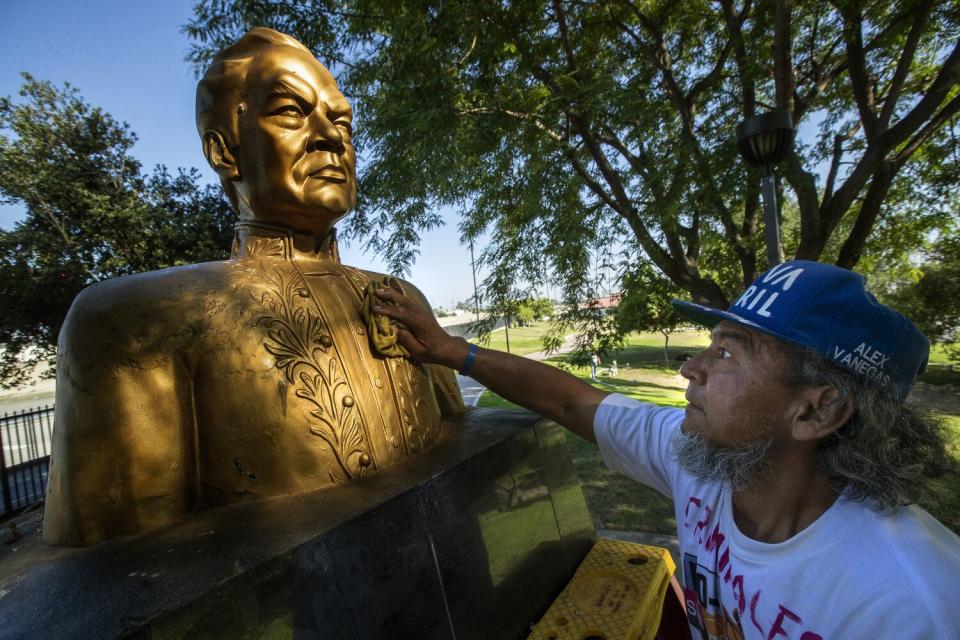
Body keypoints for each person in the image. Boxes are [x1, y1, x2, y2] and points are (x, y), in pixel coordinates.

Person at [373, 260, 960, 639]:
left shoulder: (910, 605)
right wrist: (454, 353)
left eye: (729, 352)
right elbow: (576, 404)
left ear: (817, 410)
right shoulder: (703, 462)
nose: (690, 368)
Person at [42, 28, 462, 547]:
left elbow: (462, 441)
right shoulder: (137, 321)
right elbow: (126, 574)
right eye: (291, 111)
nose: (333, 138)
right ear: (224, 151)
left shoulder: (402, 299)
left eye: (342, 121)